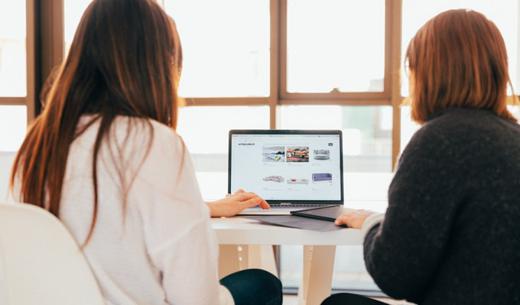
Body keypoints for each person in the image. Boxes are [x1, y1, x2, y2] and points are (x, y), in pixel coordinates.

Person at [9, 1, 281, 305]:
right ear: (158, 65)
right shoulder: (154, 143)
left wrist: (203, 208)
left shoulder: (38, 143)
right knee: (262, 284)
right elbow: (195, 298)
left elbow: (103, 216)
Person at [323, 9, 520, 305]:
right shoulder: (513, 136)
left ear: (427, 72)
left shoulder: (438, 141)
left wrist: (371, 224)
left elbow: (396, 275)